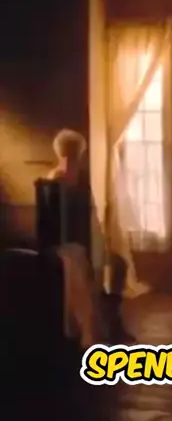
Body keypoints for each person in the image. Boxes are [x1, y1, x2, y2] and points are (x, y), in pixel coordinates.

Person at [47, 129, 128, 348]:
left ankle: (113, 319)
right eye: (68, 153)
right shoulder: (53, 181)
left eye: (75, 154)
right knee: (76, 263)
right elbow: (52, 223)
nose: (71, 158)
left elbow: (90, 217)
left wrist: (99, 244)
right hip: (64, 244)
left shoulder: (83, 181)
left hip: (84, 240)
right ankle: (86, 329)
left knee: (118, 263)